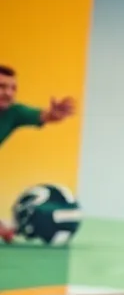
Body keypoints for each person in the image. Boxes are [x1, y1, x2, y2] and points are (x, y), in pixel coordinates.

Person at [0, 65, 76, 243]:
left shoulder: (14, 113)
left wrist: (53, 114)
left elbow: (43, 115)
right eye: (2, 87)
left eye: (13, 88)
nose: (9, 93)